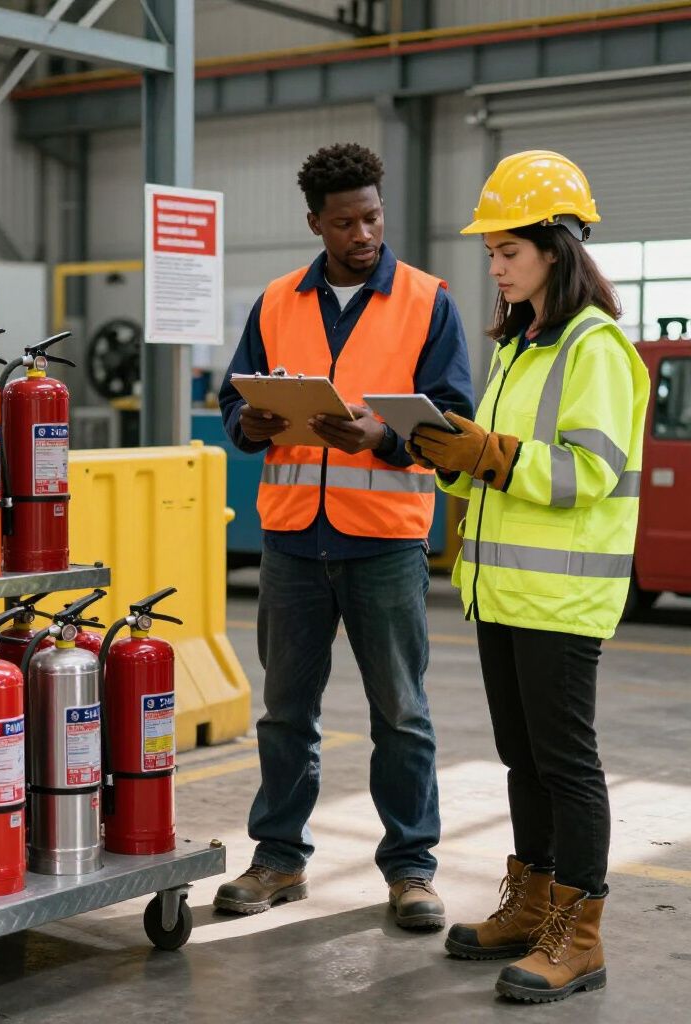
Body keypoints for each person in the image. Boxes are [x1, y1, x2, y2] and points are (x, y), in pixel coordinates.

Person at [408, 150, 649, 1001]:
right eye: (490, 255)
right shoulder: (521, 346)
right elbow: (497, 469)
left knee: (565, 765)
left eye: (508, 251)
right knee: (521, 758)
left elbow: (586, 471)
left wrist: (491, 451)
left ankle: (579, 938)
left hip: (563, 595)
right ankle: (534, 902)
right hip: (503, 591)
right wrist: (448, 453)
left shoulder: (598, 347)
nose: (497, 267)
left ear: (557, 246)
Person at [213, 142, 473, 930]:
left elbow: (452, 421)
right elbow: (234, 403)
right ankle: (279, 860)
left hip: (385, 542)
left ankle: (411, 870)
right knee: (286, 711)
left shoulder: (429, 302)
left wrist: (382, 440)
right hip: (292, 541)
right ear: (315, 223)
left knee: (401, 713)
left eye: (372, 217)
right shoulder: (276, 301)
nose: (363, 233)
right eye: (345, 222)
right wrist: (248, 424)